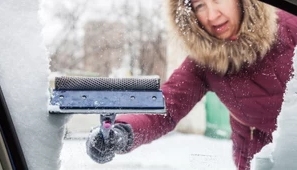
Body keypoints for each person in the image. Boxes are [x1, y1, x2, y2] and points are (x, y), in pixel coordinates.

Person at [86, 0, 297, 169]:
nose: (212, 15)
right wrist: (122, 132)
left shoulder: (289, 27)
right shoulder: (204, 63)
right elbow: (166, 107)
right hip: (257, 151)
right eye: (199, 5)